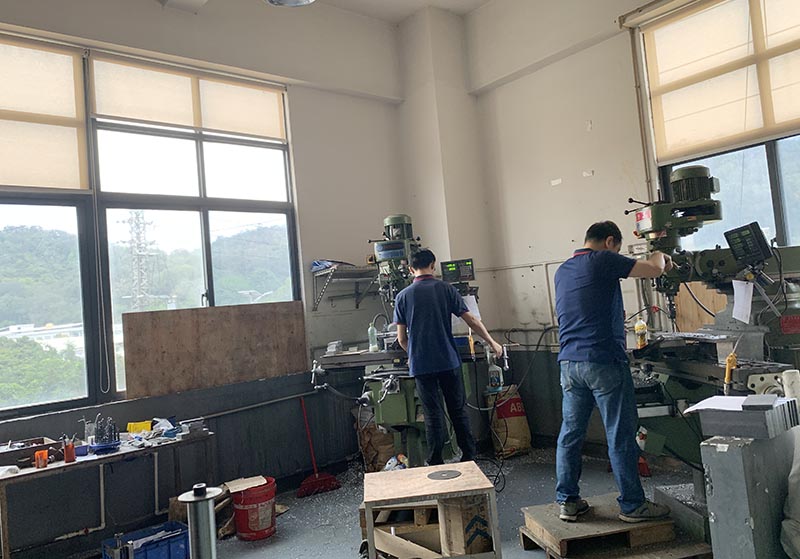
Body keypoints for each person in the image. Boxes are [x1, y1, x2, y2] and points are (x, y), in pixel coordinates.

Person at [554, 221, 673, 523]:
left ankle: (568, 501)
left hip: (569, 364)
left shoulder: (563, 270)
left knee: (570, 435)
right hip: (603, 360)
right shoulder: (604, 259)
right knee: (619, 435)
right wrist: (661, 254)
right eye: (617, 248)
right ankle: (633, 505)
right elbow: (653, 269)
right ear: (609, 242)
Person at [394, 249, 503, 466]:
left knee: (432, 415)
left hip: (421, 364)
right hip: (448, 361)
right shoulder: (446, 289)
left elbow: (401, 338)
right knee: (457, 411)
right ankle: (469, 457)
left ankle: (435, 461)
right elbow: (471, 320)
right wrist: (492, 342)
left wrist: (413, 353)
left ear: (410, 269)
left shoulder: (403, 296)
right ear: (433, 265)